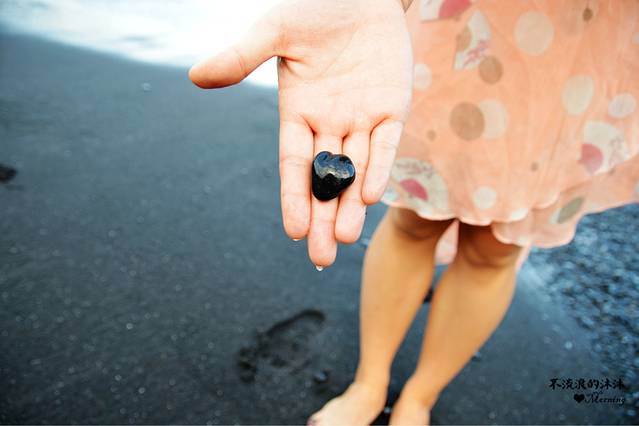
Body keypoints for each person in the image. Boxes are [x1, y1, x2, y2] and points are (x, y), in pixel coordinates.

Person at [188, 0, 639, 424]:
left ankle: (421, 395)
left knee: (497, 247)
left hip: (585, 66)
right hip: (465, 36)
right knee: (416, 218)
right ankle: (369, 383)